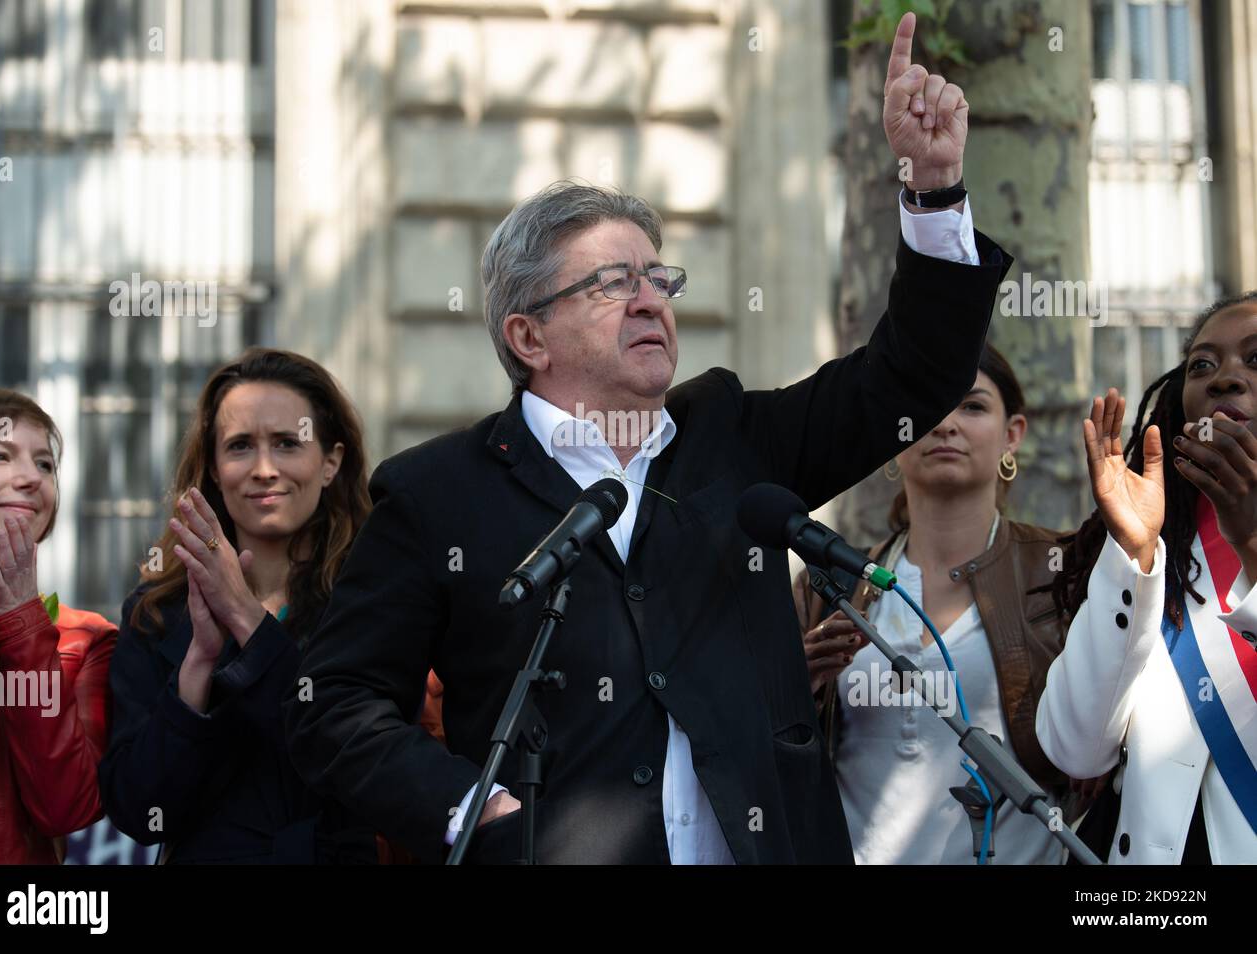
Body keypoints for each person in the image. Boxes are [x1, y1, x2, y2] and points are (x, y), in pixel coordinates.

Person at [286, 12, 1014, 863]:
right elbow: (334, 698)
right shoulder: (436, 495)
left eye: (657, 279)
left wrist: (931, 187)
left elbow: (913, 377)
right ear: (529, 337)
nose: (651, 301)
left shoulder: (738, 438)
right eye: (612, 283)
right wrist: (468, 808)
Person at [794, 345, 1104, 863]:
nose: (944, 424)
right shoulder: (828, 585)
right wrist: (794, 688)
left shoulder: (1065, 572)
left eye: (973, 406)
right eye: (926, 406)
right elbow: (759, 756)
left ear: (1014, 435)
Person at [99, 348, 393, 863]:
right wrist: (197, 668)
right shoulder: (155, 610)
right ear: (214, 469)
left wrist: (247, 621)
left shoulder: (375, 597)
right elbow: (139, 810)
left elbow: (357, 762)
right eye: (239, 447)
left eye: (286, 444)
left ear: (330, 462)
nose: (263, 469)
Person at [1039, 292, 1257, 864]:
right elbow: (1075, 750)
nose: (1224, 379)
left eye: (1255, 360)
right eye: (1202, 365)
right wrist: (1131, 554)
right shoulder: (1166, 545)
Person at [0, 389, 115, 864]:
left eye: (45, 464)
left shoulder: (88, 639)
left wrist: (24, 627)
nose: (30, 478)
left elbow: (65, 808)